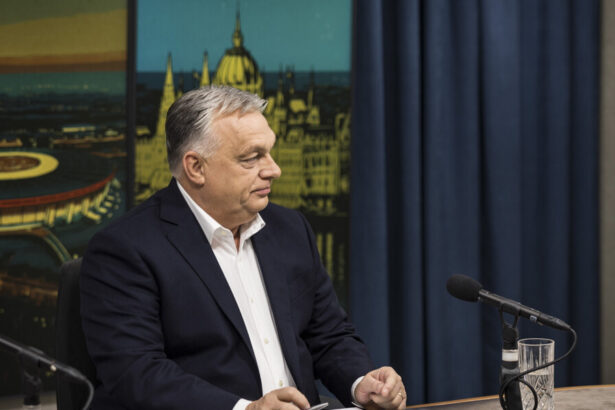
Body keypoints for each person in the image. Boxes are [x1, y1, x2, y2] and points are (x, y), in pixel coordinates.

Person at [80, 85, 406, 410]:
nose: (274, 170)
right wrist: (246, 409)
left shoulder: (290, 229)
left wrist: (361, 382)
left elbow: (329, 336)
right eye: (252, 158)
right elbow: (138, 374)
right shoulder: (125, 249)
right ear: (196, 167)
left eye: (270, 153)